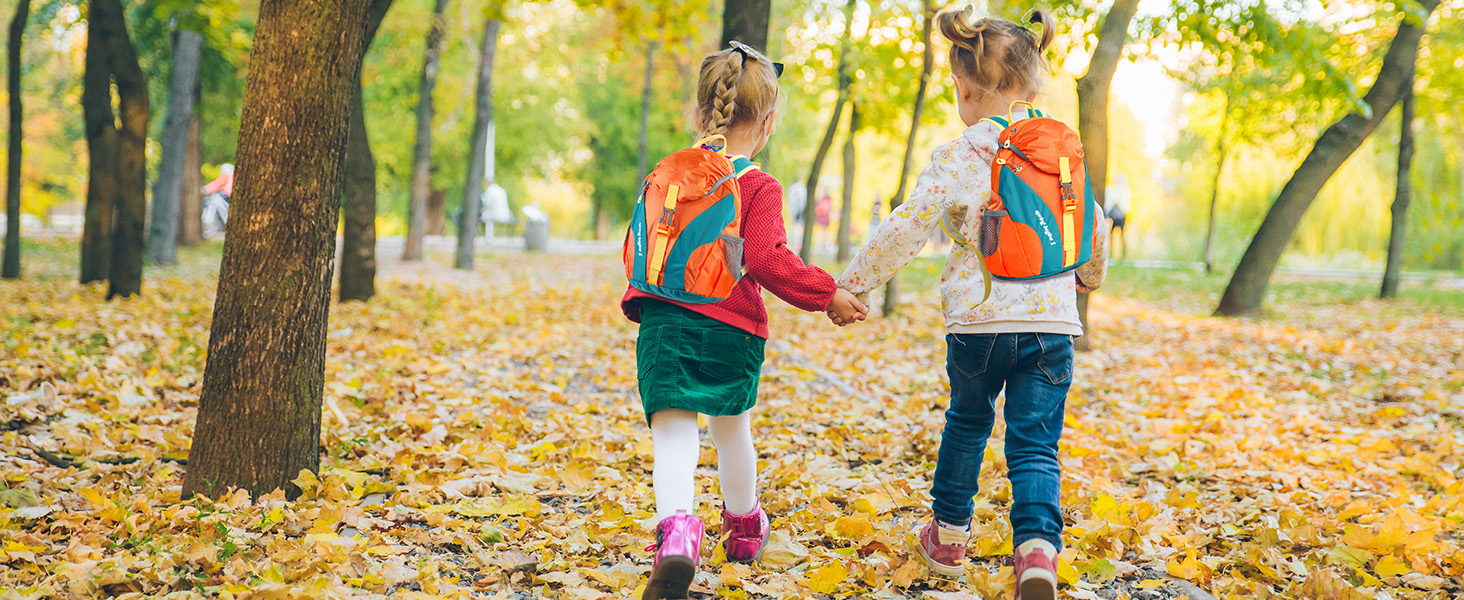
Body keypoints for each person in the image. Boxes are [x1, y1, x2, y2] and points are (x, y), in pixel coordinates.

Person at [832, 8, 1106, 600]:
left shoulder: (963, 152)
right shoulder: (1063, 150)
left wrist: (855, 284)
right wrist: (1089, 276)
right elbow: (1096, 223)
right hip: (1051, 324)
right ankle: (1036, 549)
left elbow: (909, 222)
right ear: (1035, 80)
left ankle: (949, 538)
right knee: (1035, 443)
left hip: (978, 325)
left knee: (968, 424)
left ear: (965, 89)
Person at [619, 41, 869, 600]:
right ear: (769, 122)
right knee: (731, 427)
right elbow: (767, 259)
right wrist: (827, 294)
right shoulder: (758, 185)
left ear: (699, 111)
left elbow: (642, 243)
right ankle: (744, 526)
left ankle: (678, 533)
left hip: (664, 322)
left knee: (674, 431)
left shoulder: (672, 174)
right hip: (731, 327)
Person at [1105, 174, 1130, 259]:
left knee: (1116, 235)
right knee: (1120, 235)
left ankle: (1114, 254)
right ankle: (1120, 255)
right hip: (1122, 215)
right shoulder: (1124, 190)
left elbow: (1109, 203)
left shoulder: (1114, 190)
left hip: (1118, 215)